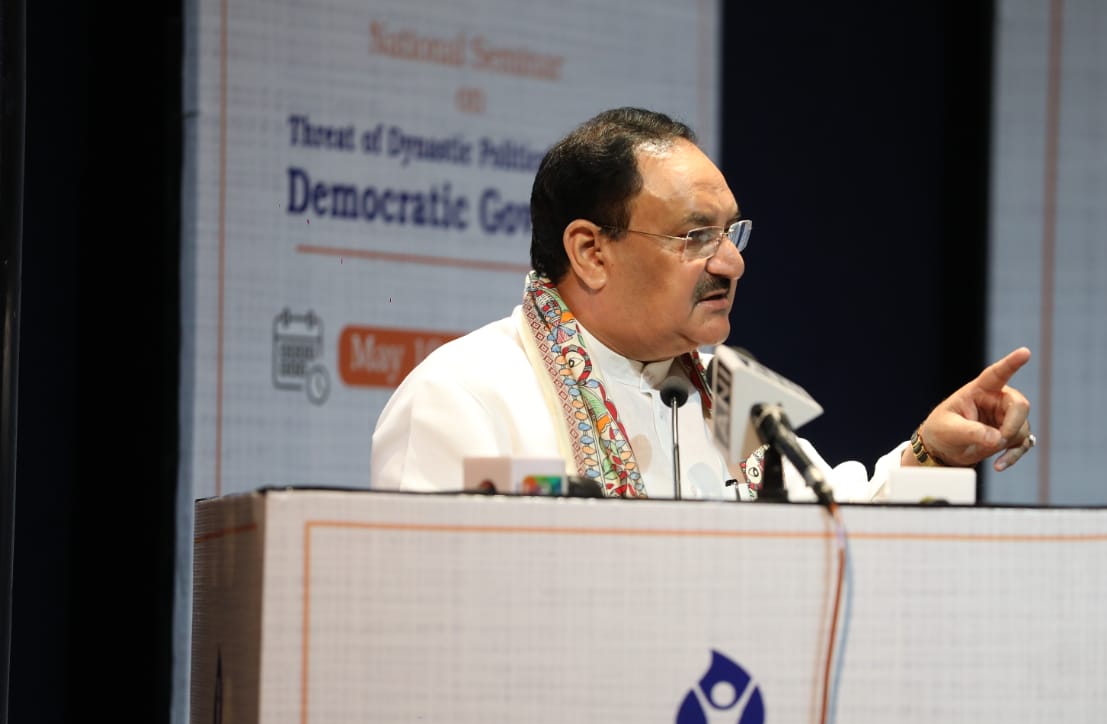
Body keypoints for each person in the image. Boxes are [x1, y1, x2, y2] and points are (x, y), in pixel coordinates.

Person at [371, 107, 1034, 501]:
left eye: (732, 232)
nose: (732, 261)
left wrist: (931, 455)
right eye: (696, 237)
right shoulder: (460, 397)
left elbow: (833, 533)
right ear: (591, 252)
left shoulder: (730, 390)